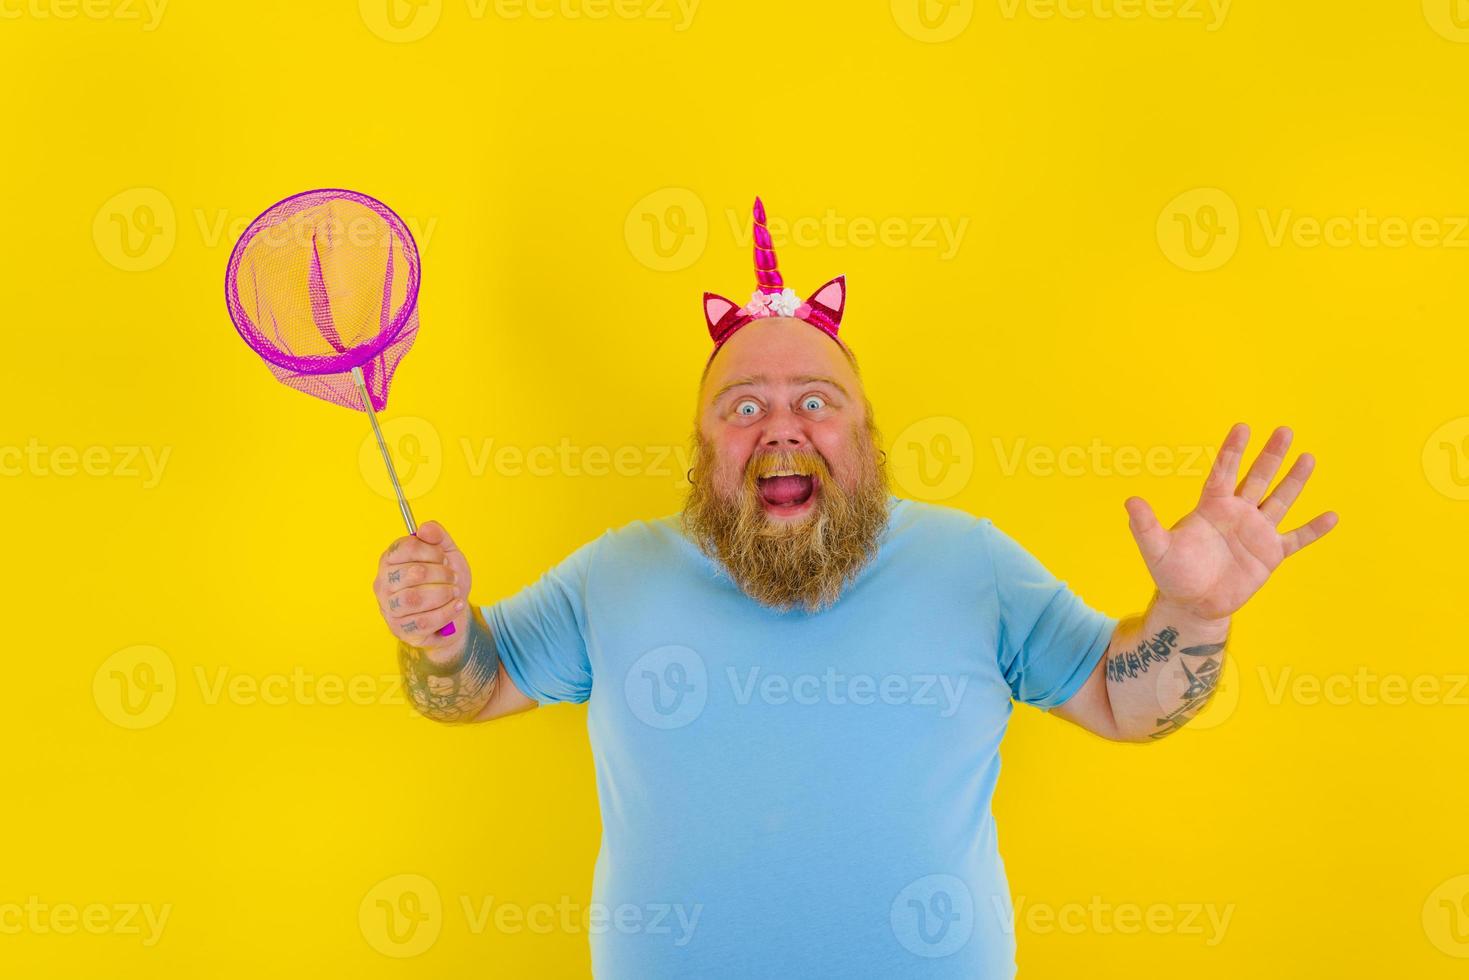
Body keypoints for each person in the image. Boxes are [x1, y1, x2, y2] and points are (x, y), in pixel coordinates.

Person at [371, 198, 1338, 977]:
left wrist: (1191, 615)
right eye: (741, 406)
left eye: (815, 403)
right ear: (703, 446)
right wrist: (443, 636)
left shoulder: (973, 562)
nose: (781, 428)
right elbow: (474, 689)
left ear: (864, 437)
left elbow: (1129, 705)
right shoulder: (614, 573)